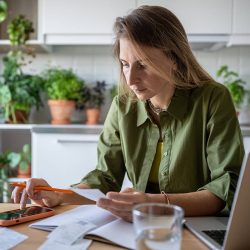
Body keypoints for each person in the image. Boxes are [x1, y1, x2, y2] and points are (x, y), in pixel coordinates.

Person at [12, 5, 244, 222]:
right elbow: (104, 179)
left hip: (197, 226)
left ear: (174, 59)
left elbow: (227, 186)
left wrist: (153, 204)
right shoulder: (122, 107)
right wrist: (58, 194)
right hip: (139, 227)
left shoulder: (213, 99)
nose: (130, 79)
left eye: (143, 65)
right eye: (125, 64)